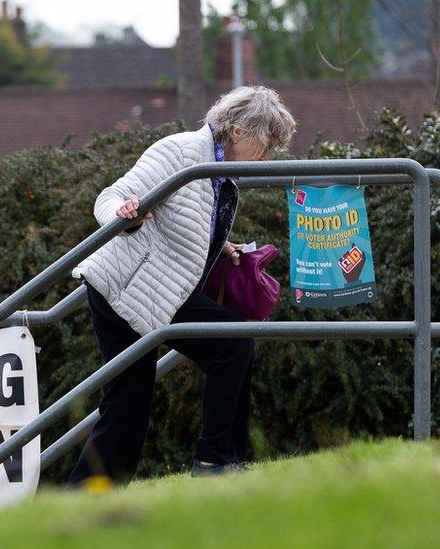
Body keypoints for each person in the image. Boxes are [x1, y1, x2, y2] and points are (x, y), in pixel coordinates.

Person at [68, 86, 296, 484]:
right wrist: (124, 216)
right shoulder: (180, 152)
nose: (267, 158)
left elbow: (184, 214)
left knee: (230, 347)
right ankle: (86, 501)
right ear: (239, 130)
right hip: (125, 288)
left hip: (160, 292)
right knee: (127, 409)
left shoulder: (220, 170)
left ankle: (218, 460)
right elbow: (111, 196)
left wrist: (220, 245)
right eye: (265, 145)